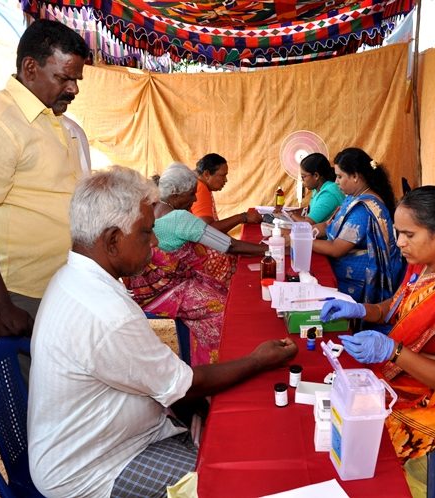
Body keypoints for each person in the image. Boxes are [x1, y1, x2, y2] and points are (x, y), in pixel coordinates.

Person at [28, 166, 297, 498]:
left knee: (223, 432)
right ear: (113, 240)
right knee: (228, 473)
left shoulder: (72, 279)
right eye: (146, 232)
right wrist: (258, 360)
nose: (155, 242)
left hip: (115, 440)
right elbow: (183, 387)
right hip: (99, 467)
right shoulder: (105, 313)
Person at [320, 185, 435, 472]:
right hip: (405, 372)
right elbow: (394, 307)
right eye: (398, 232)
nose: (399, 243)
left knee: (356, 440)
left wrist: (393, 350)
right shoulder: (424, 263)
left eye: (409, 235)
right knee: (335, 406)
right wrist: (359, 308)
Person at [0, 20, 89, 336]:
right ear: (30, 68)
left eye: (76, 80)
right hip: (17, 291)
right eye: (64, 77)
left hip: (56, 283)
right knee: (34, 384)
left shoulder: (51, 117)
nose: (74, 88)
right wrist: (0, 305)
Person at [125, 163, 266, 365]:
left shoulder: (149, 208)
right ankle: (216, 366)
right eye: (191, 194)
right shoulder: (179, 218)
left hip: (144, 292)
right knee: (226, 309)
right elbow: (229, 246)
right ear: (175, 194)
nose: (195, 199)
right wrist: (272, 250)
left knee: (220, 293)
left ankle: (195, 358)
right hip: (169, 292)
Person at [312, 147, 404, 303]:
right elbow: (328, 225)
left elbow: (336, 249)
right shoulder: (352, 197)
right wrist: (303, 232)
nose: (336, 182)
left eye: (340, 176)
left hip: (358, 280)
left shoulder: (363, 209)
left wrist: (301, 241)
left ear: (355, 176)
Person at [191, 152, 262, 233]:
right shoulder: (199, 187)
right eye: (223, 175)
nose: (225, 180)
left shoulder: (200, 184)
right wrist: (243, 217)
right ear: (206, 174)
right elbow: (208, 230)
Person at [288, 152, 344, 224]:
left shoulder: (328, 194)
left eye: (303, 177)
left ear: (316, 176)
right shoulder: (317, 189)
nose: (302, 180)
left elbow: (307, 223)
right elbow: (311, 210)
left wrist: (291, 215)